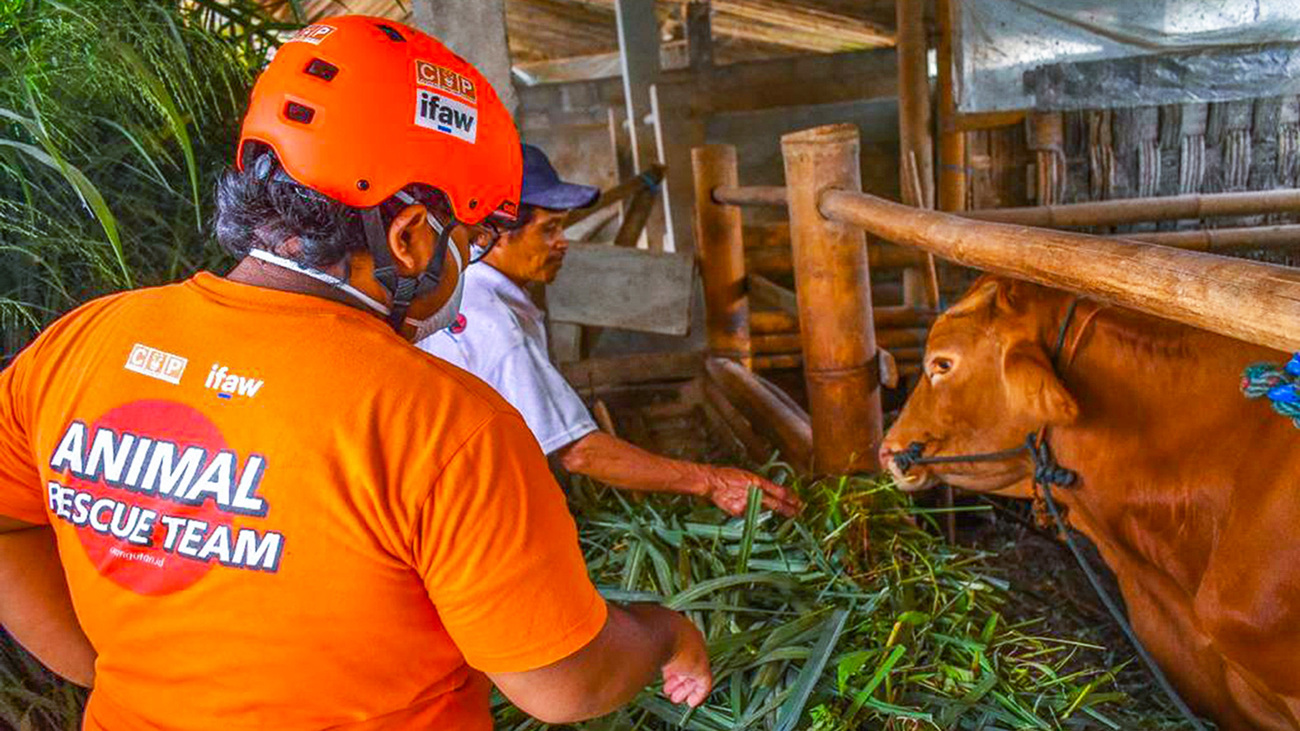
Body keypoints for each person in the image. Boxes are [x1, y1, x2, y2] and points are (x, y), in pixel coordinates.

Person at [0, 16, 711, 730]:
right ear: (410, 238)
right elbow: (564, 685)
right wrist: (663, 632)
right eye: (473, 236)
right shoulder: (444, 424)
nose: (476, 258)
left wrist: (119, 667)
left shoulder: (82, 344)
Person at [419, 144, 802, 517]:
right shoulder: (491, 322)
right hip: (472, 514)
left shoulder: (473, 293)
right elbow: (579, 452)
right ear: (496, 233)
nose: (561, 242)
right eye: (549, 228)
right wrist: (711, 481)